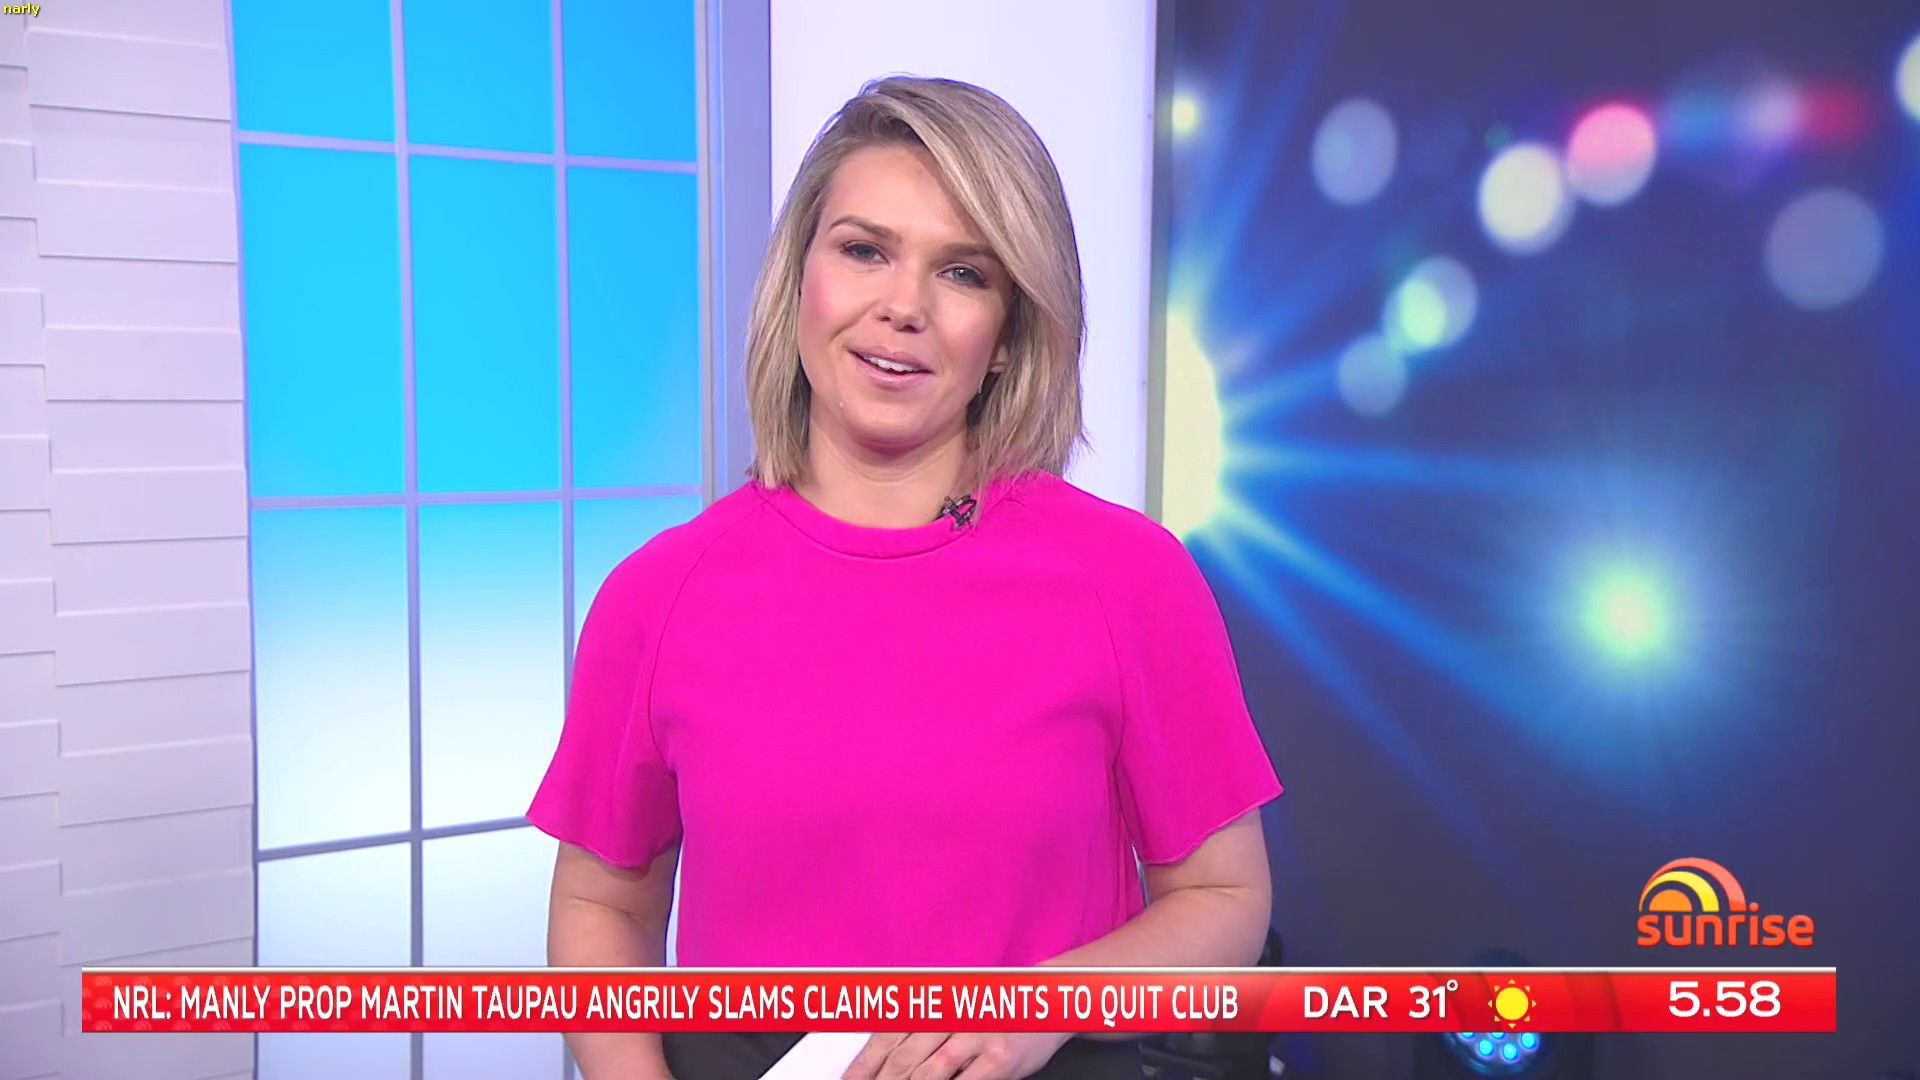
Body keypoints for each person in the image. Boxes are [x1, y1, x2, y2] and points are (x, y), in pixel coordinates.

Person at [527, 75, 1282, 1080]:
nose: (903, 307)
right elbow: (601, 906)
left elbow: (1225, 899)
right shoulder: (659, 594)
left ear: (1010, 334)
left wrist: (1031, 1014)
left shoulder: (1130, 578)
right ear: (800, 278)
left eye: (963, 272)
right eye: (864, 250)